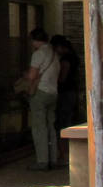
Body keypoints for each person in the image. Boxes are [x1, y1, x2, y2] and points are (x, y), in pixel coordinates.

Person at [22, 27, 60, 170]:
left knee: (39, 127)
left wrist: (24, 76)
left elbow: (32, 76)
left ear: (34, 40)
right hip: (53, 92)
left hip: (41, 92)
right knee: (51, 125)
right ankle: (53, 158)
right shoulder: (53, 53)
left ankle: (42, 160)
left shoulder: (38, 54)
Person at [51, 33, 79, 136]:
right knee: (69, 118)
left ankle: (64, 148)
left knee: (64, 121)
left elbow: (63, 77)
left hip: (65, 91)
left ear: (59, 46)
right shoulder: (74, 56)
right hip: (73, 90)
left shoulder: (65, 59)